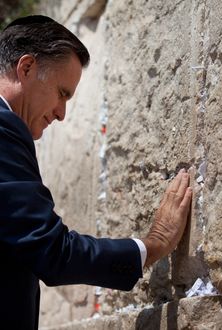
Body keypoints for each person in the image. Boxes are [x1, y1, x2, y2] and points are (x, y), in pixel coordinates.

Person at [0, 15, 192, 330]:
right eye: (62, 93)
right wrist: (153, 245)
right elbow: (51, 251)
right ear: (26, 68)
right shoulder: (4, 126)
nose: (62, 114)